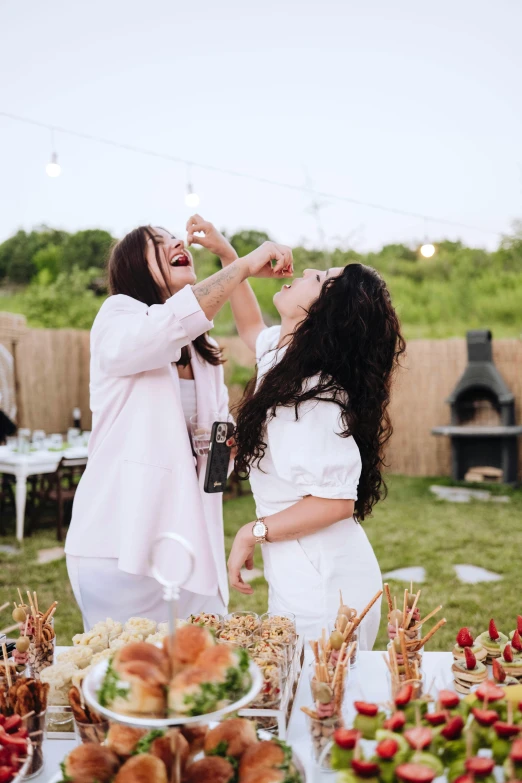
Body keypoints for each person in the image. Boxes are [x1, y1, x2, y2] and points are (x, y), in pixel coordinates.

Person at [65, 220, 293, 630]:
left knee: (203, 675)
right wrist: (240, 267)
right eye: (156, 242)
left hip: (191, 546)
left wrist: (234, 444)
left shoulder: (202, 354)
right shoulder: (118, 317)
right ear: (135, 266)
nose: (174, 240)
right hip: (120, 542)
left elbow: (217, 453)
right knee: (130, 680)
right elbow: (160, 329)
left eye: (173, 235)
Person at [220, 243, 405, 646]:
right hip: (298, 570)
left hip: (326, 591)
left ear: (323, 316)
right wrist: (229, 257)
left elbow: (335, 503)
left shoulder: (314, 398)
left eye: (318, 279)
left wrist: (251, 532)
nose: (304, 272)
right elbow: (251, 326)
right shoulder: (283, 358)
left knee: (314, 700)